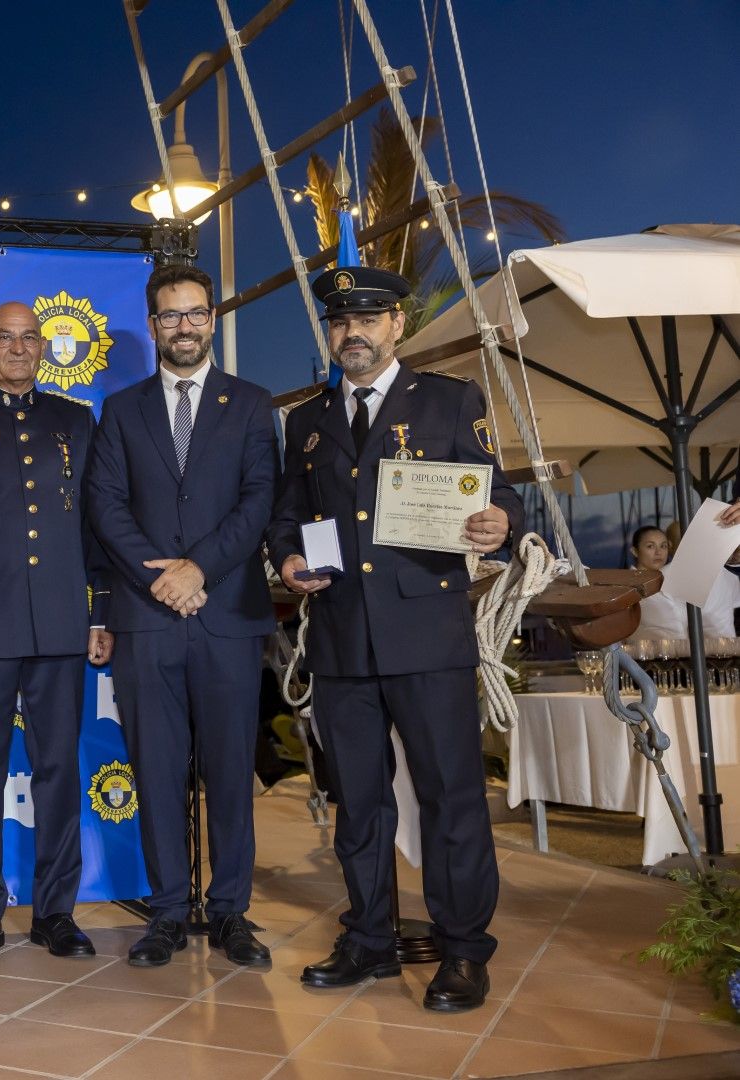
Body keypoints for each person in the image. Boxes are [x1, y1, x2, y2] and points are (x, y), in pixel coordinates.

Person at [268, 265, 521, 1012]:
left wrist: (502, 523)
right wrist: (286, 556)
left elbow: (499, 495)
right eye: (342, 321)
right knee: (360, 802)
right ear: (330, 332)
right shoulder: (305, 421)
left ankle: (464, 950)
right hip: (344, 639)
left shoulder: (449, 401)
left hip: (427, 634)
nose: (355, 332)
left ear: (397, 326)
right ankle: (371, 939)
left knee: (452, 798)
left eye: (370, 318)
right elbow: (289, 514)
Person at [84, 263, 278, 970]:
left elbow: (259, 499)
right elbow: (103, 506)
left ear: (213, 317)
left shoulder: (253, 405)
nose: (184, 327)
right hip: (148, 617)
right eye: (170, 316)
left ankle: (231, 913)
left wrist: (202, 570)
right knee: (157, 771)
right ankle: (167, 911)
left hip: (227, 616)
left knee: (230, 773)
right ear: (152, 324)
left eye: (195, 313)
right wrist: (162, 577)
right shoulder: (122, 409)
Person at [0, 301, 112, 964]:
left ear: (43, 347)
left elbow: (97, 524)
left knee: (59, 771)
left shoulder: (76, 421)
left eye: (28, 338)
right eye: (4, 339)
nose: (17, 349)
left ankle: (55, 912)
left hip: (62, 623)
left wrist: (99, 613)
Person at [630, 522, 739, 641]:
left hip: (687, 653)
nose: (658, 552)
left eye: (663, 546)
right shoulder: (627, 587)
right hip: (644, 655)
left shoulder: (670, 578)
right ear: (635, 551)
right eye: (650, 546)